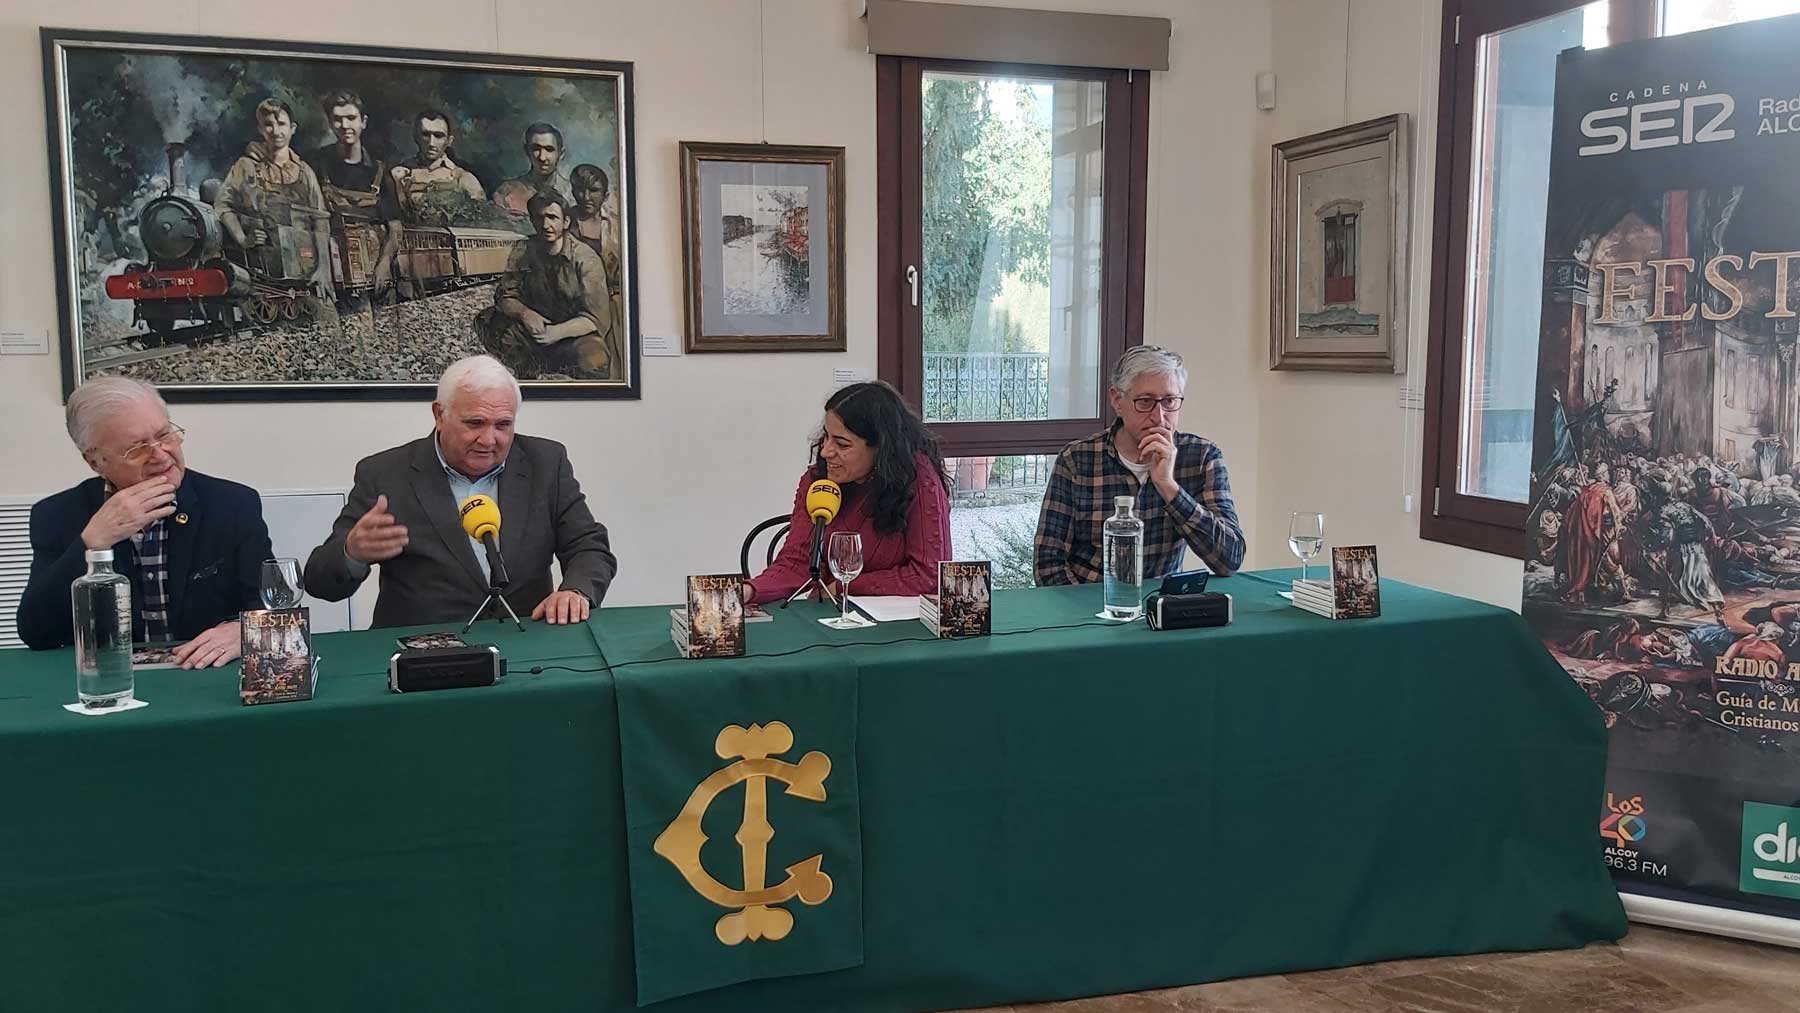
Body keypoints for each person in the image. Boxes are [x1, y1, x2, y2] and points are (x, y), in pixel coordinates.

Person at [302, 355, 616, 627]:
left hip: (528, 648)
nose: (489, 439)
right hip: (424, 658)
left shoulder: (546, 463)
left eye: (503, 425)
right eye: (475, 423)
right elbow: (320, 582)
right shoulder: (386, 474)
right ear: (440, 415)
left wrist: (576, 591)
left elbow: (589, 546)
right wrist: (351, 553)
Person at [16, 378, 271, 667]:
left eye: (165, 435)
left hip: (204, 674)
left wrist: (243, 631)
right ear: (96, 462)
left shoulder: (232, 504)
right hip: (109, 681)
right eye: (137, 449)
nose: (161, 455)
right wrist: (92, 543)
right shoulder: (58, 514)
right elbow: (36, 633)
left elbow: (273, 608)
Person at [1034, 345, 1244, 585]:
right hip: (1093, 606)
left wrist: (1169, 487)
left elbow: (1230, 559)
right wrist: (1087, 616)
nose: (1159, 416)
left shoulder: (1202, 457)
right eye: (1145, 402)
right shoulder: (1077, 460)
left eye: (1169, 401)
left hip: (1163, 607)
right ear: (1117, 400)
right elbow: (1047, 564)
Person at [743, 382, 950, 605]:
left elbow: (932, 576)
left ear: (881, 448)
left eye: (842, 444)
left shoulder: (918, 479)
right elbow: (796, 564)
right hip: (830, 616)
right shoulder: (817, 480)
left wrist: (844, 586)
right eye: (826, 437)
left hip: (898, 628)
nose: (825, 451)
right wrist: (749, 590)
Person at [473, 192, 615, 379]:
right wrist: (525, 313)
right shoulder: (524, 250)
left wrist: (556, 332)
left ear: (565, 222)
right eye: (540, 218)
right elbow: (505, 296)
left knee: (596, 358)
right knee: (487, 320)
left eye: (552, 217)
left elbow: (596, 318)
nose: (546, 225)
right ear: (532, 221)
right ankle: (529, 371)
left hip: (572, 335)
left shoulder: (585, 258)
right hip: (534, 330)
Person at [214, 97, 333, 300]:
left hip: (306, 269)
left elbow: (320, 220)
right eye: (268, 125)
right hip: (260, 271)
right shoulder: (245, 167)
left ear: (292, 128)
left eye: (281, 124)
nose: (276, 131)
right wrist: (242, 239)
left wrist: (323, 268)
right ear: (260, 129)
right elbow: (223, 206)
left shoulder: (305, 172)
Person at [305, 89, 401, 298]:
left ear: (363, 121)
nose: (345, 126)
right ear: (330, 124)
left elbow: (395, 228)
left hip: (376, 274)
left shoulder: (380, 171)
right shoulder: (316, 165)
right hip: (332, 270)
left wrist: (384, 264)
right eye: (338, 119)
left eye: (351, 118)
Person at [492, 122, 574, 217]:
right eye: (536, 149)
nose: (542, 157)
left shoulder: (572, 194)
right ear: (527, 151)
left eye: (549, 149)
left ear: (561, 154)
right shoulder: (506, 192)